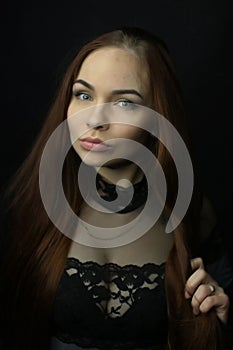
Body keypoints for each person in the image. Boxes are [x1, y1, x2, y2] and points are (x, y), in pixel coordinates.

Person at [0, 26, 232, 350]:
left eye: (124, 103)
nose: (94, 119)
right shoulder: (32, 201)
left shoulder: (192, 212)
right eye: (83, 95)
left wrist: (217, 323)